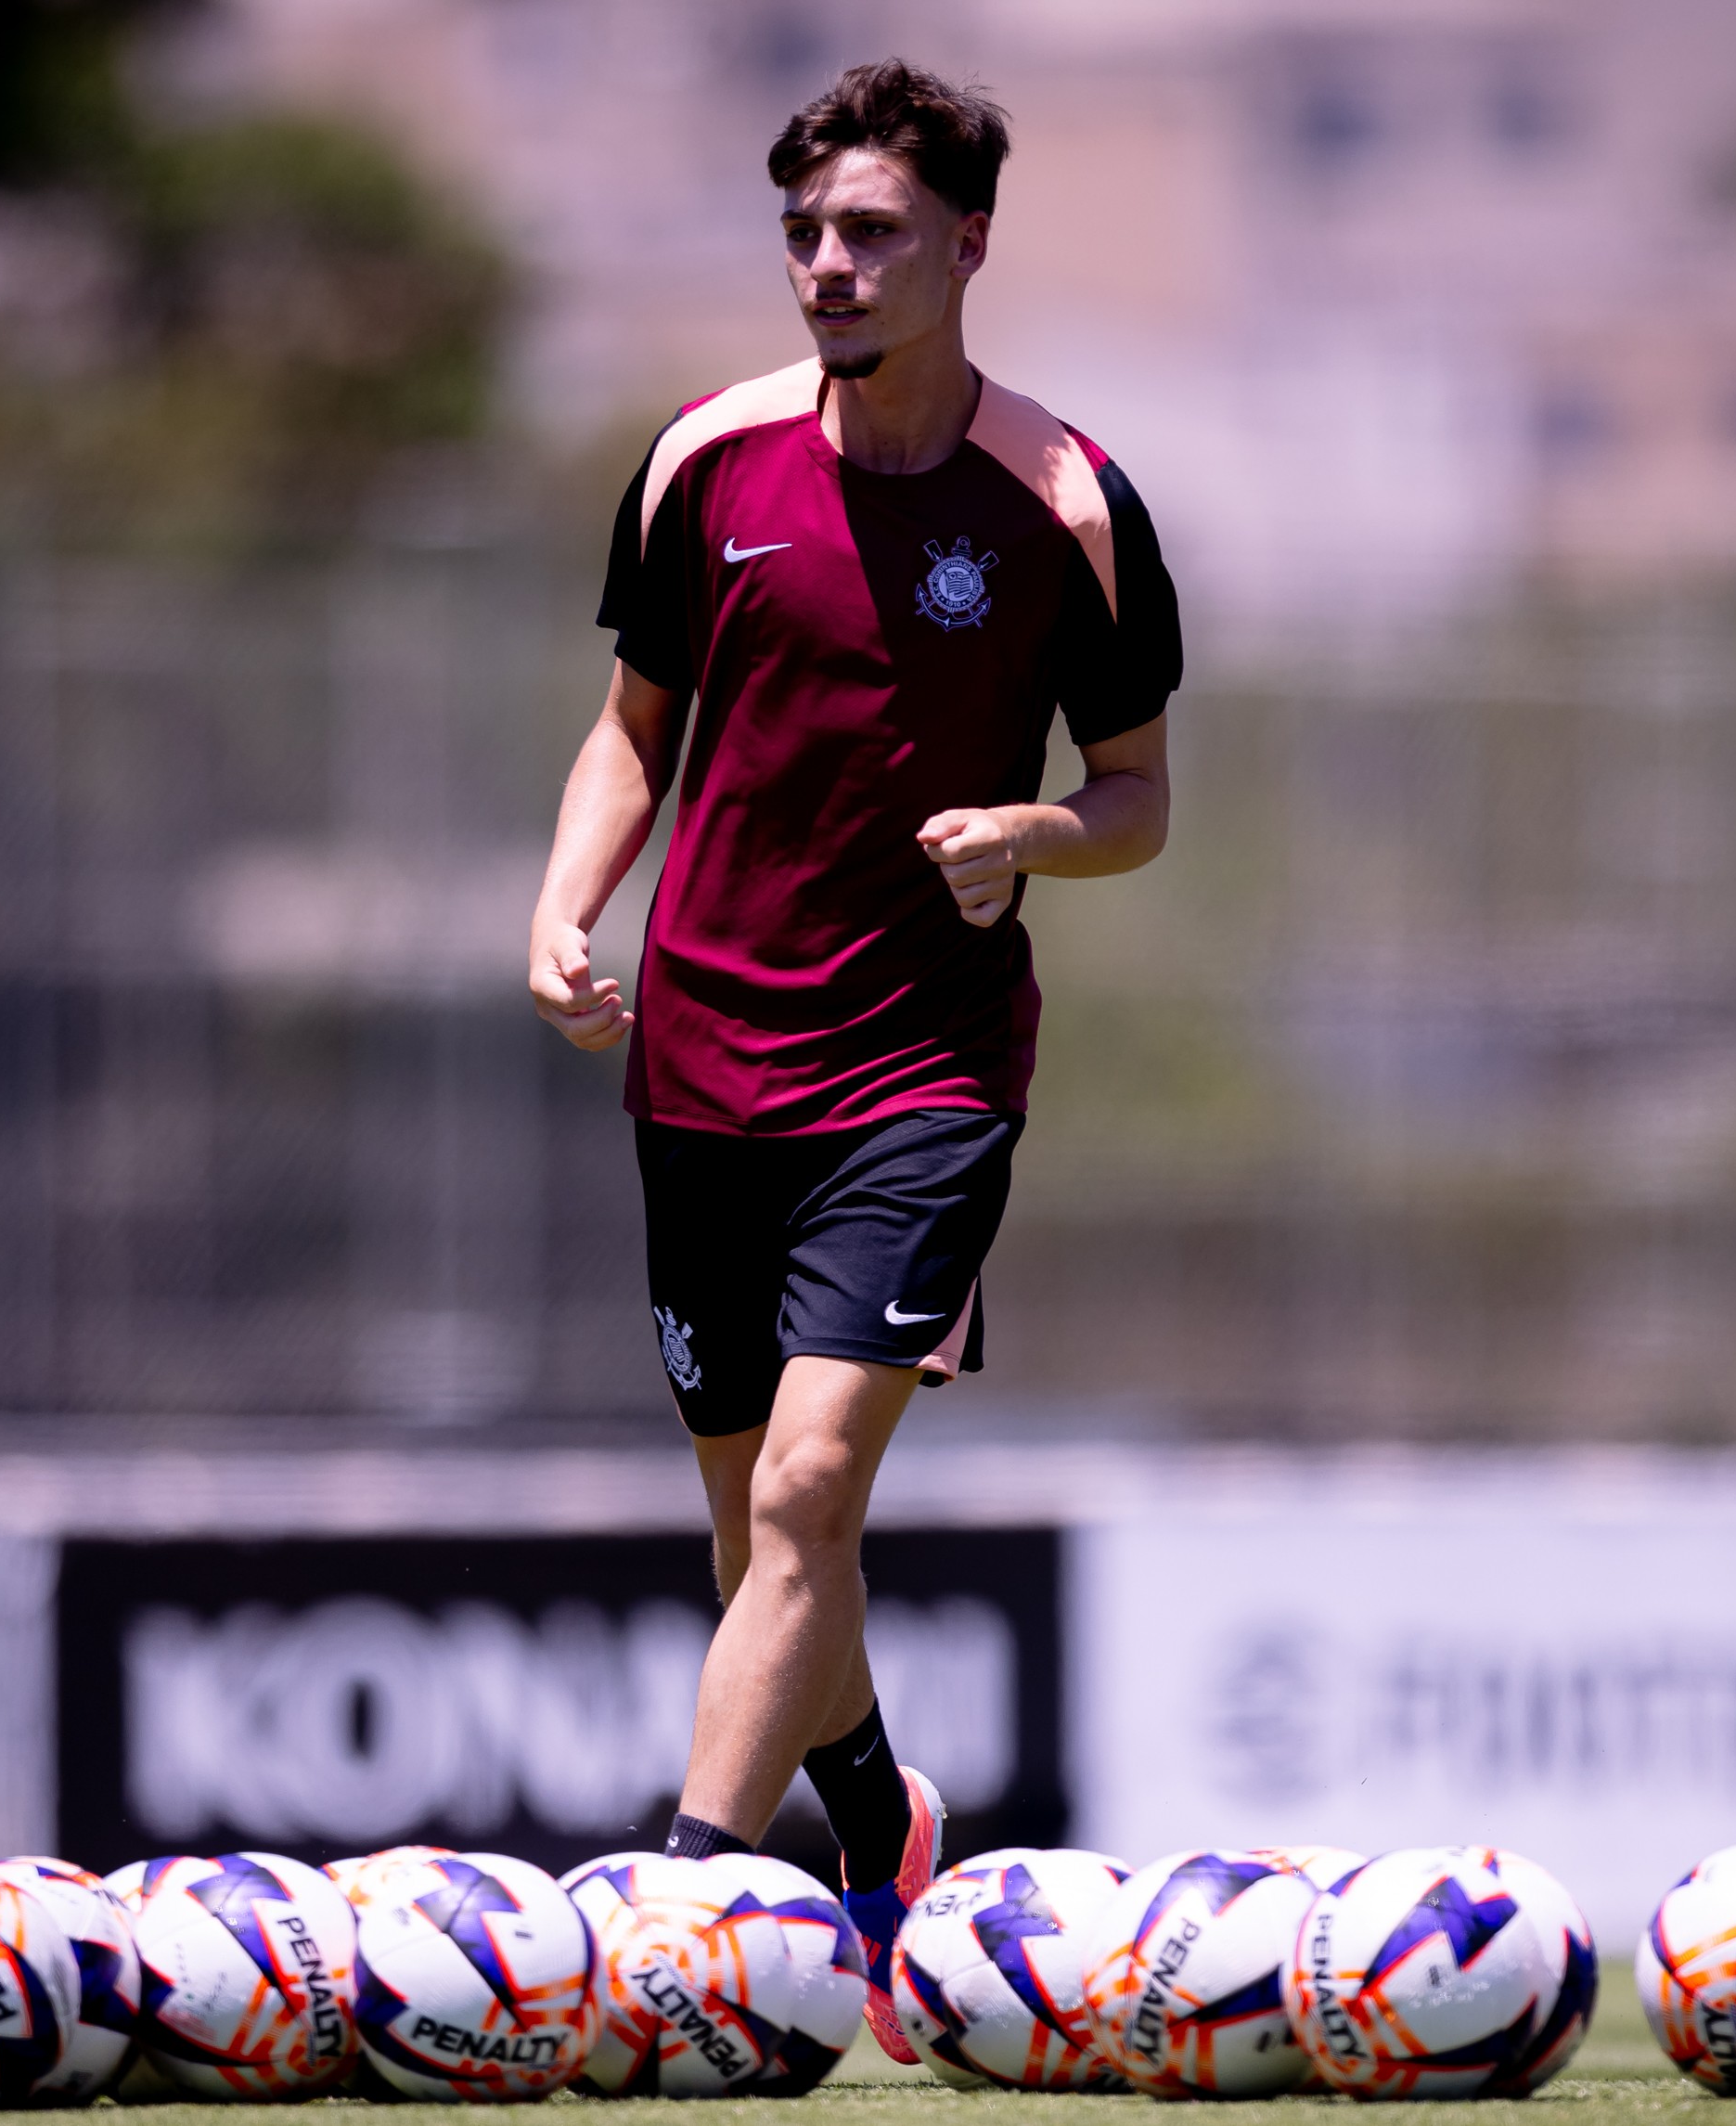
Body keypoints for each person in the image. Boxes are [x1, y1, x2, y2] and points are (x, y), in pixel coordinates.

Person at [525, 57, 1182, 2057]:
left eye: (874, 229)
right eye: (808, 230)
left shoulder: (1070, 502)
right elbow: (635, 726)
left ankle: (684, 1898)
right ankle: (878, 1807)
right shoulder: (704, 464)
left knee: (811, 1492)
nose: (831, 262)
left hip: (924, 1072)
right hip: (699, 1060)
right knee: (755, 1538)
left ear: (968, 242)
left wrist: (1034, 837)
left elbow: (1142, 791)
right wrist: (564, 909)